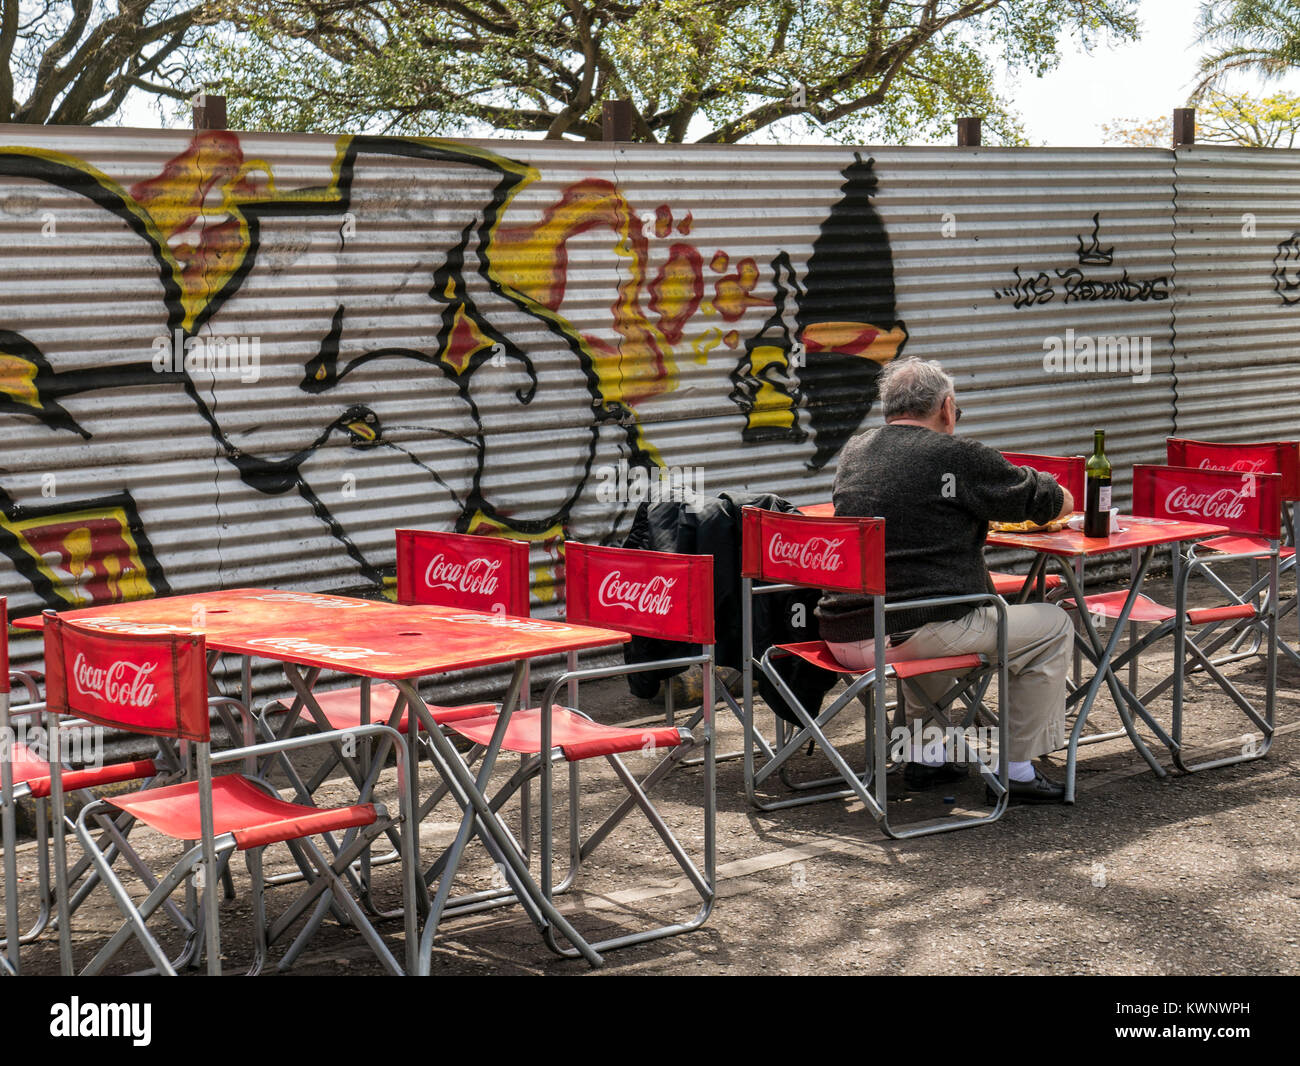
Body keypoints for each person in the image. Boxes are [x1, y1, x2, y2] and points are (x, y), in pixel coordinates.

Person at [816, 357, 1074, 803]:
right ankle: (1016, 767)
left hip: (846, 631)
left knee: (942, 615)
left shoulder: (856, 450)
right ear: (947, 408)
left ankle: (925, 754)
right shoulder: (956, 455)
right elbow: (1050, 501)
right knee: (1053, 627)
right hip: (908, 631)